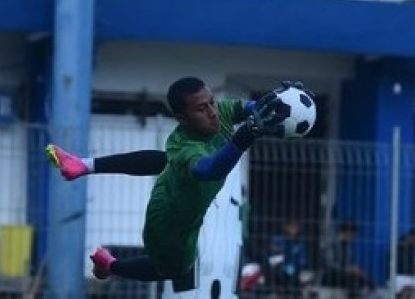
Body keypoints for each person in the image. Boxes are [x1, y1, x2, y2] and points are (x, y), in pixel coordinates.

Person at [45, 76, 295, 287]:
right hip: (170, 224)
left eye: (212, 103)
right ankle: (111, 266)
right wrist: (244, 137)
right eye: (201, 109)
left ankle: (82, 165)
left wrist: (277, 104)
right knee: (174, 270)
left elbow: (251, 108)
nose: (212, 112)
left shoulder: (220, 114)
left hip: (176, 189)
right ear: (182, 119)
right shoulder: (186, 146)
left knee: (168, 162)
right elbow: (210, 170)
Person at [266, 219, 309, 299]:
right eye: (291, 227)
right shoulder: (278, 239)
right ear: (286, 227)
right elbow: (271, 256)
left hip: (293, 269)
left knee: (293, 278)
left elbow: (302, 260)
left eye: (295, 228)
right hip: (277, 268)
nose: (293, 230)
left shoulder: (299, 243)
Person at [320, 221, 374, 291]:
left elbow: (347, 263)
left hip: (342, 273)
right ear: (348, 232)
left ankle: (373, 294)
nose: (353, 239)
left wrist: (354, 269)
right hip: (329, 275)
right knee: (352, 283)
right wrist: (348, 269)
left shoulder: (347, 246)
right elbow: (330, 265)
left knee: (363, 279)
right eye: (353, 236)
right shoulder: (330, 243)